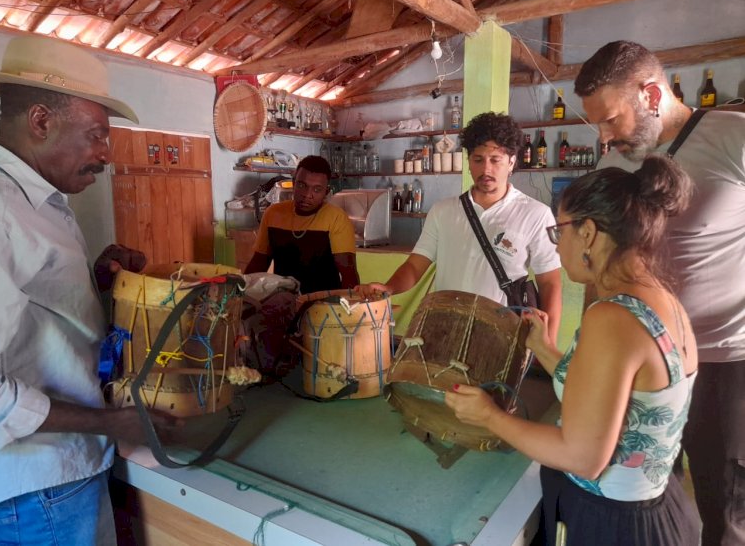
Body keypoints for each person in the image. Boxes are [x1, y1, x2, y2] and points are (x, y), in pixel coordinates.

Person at [446, 155, 700, 545]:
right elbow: (613, 396)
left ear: (589, 233)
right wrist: (545, 349)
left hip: (614, 527)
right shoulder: (662, 301)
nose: (557, 245)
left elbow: (583, 456)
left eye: (558, 231)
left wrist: (489, 416)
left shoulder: (611, 317)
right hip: (656, 512)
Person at [0, 35, 179, 545]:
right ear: (39, 121)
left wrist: (96, 280)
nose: (106, 154)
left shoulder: (39, 201)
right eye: (97, 135)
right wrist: (113, 422)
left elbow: (35, 309)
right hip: (38, 489)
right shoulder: (1, 211)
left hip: (54, 479)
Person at [574, 40, 745, 546]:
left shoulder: (733, 137)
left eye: (611, 119)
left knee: (727, 510)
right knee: (650, 498)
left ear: (651, 93)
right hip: (641, 365)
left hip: (724, 361)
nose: (605, 136)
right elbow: (601, 262)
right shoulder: (621, 168)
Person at [357, 112, 562, 344]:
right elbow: (415, 265)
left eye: (495, 159)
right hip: (446, 329)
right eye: (478, 159)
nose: (486, 169)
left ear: (512, 161)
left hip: (502, 338)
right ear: (468, 160)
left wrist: (549, 344)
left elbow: (550, 283)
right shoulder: (443, 211)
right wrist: (389, 287)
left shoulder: (535, 214)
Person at [245, 155, 360, 294]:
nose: (307, 194)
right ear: (293, 183)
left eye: (317, 189)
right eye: (302, 185)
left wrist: (346, 310)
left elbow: (349, 276)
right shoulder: (273, 214)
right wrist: (242, 292)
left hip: (322, 306)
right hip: (281, 303)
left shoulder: (336, 218)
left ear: (326, 192)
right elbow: (259, 263)